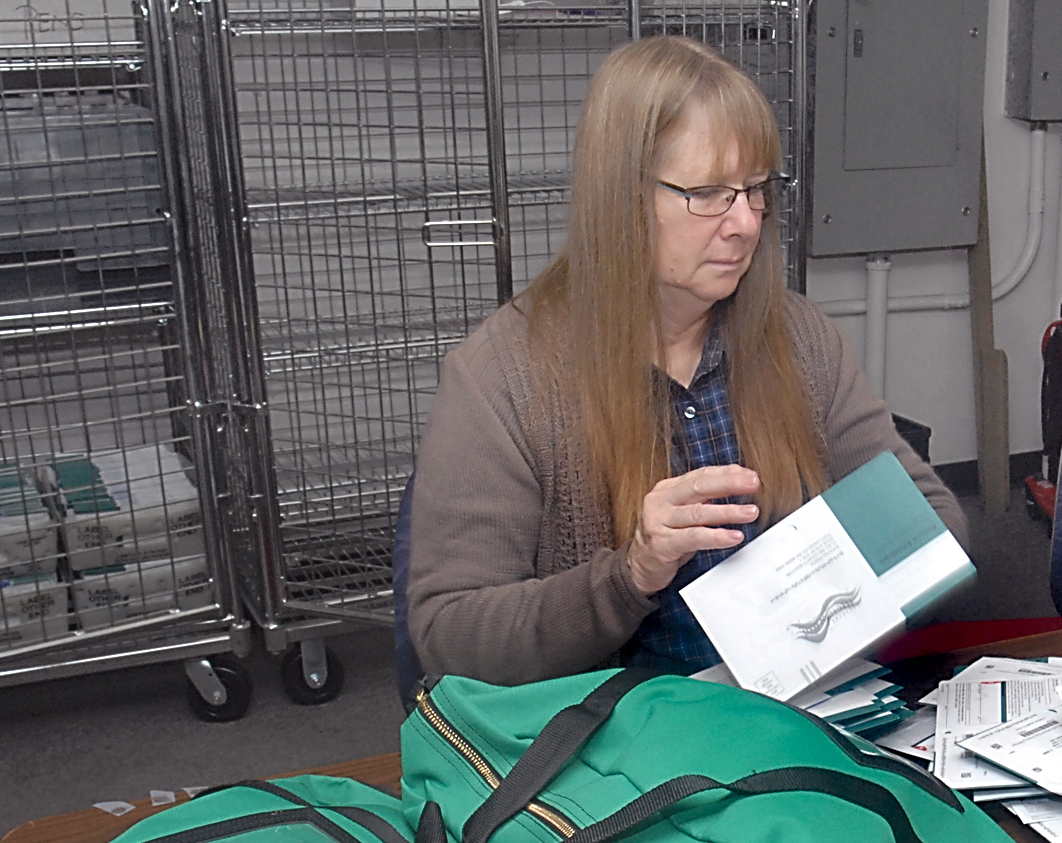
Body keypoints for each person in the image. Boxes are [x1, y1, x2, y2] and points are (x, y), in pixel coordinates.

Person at [409, 36, 965, 684]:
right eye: (706, 193)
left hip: (794, 715)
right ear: (622, 200)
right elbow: (450, 639)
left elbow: (930, 520)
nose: (746, 223)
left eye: (755, 189)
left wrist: (795, 630)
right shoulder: (502, 379)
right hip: (616, 746)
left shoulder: (798, 339)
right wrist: (629, 574)